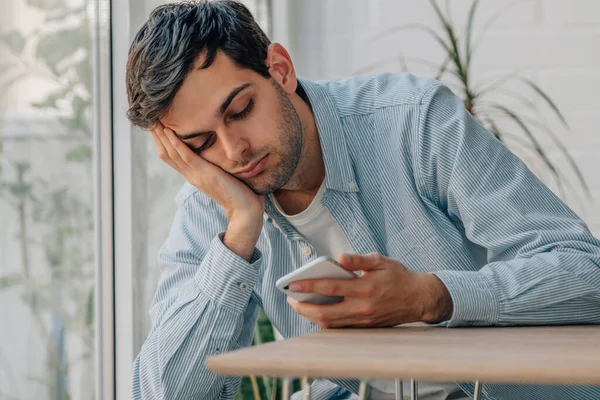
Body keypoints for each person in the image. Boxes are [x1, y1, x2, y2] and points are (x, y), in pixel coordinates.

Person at [125, 1, 600, 399]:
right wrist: (242, 227)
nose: (234, 152)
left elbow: (585, 272)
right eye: (201, 142)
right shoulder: (216, 202)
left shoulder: (414, 121)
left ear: (281, 70)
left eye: (241, 110)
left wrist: (432, 296)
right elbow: (163, 393)